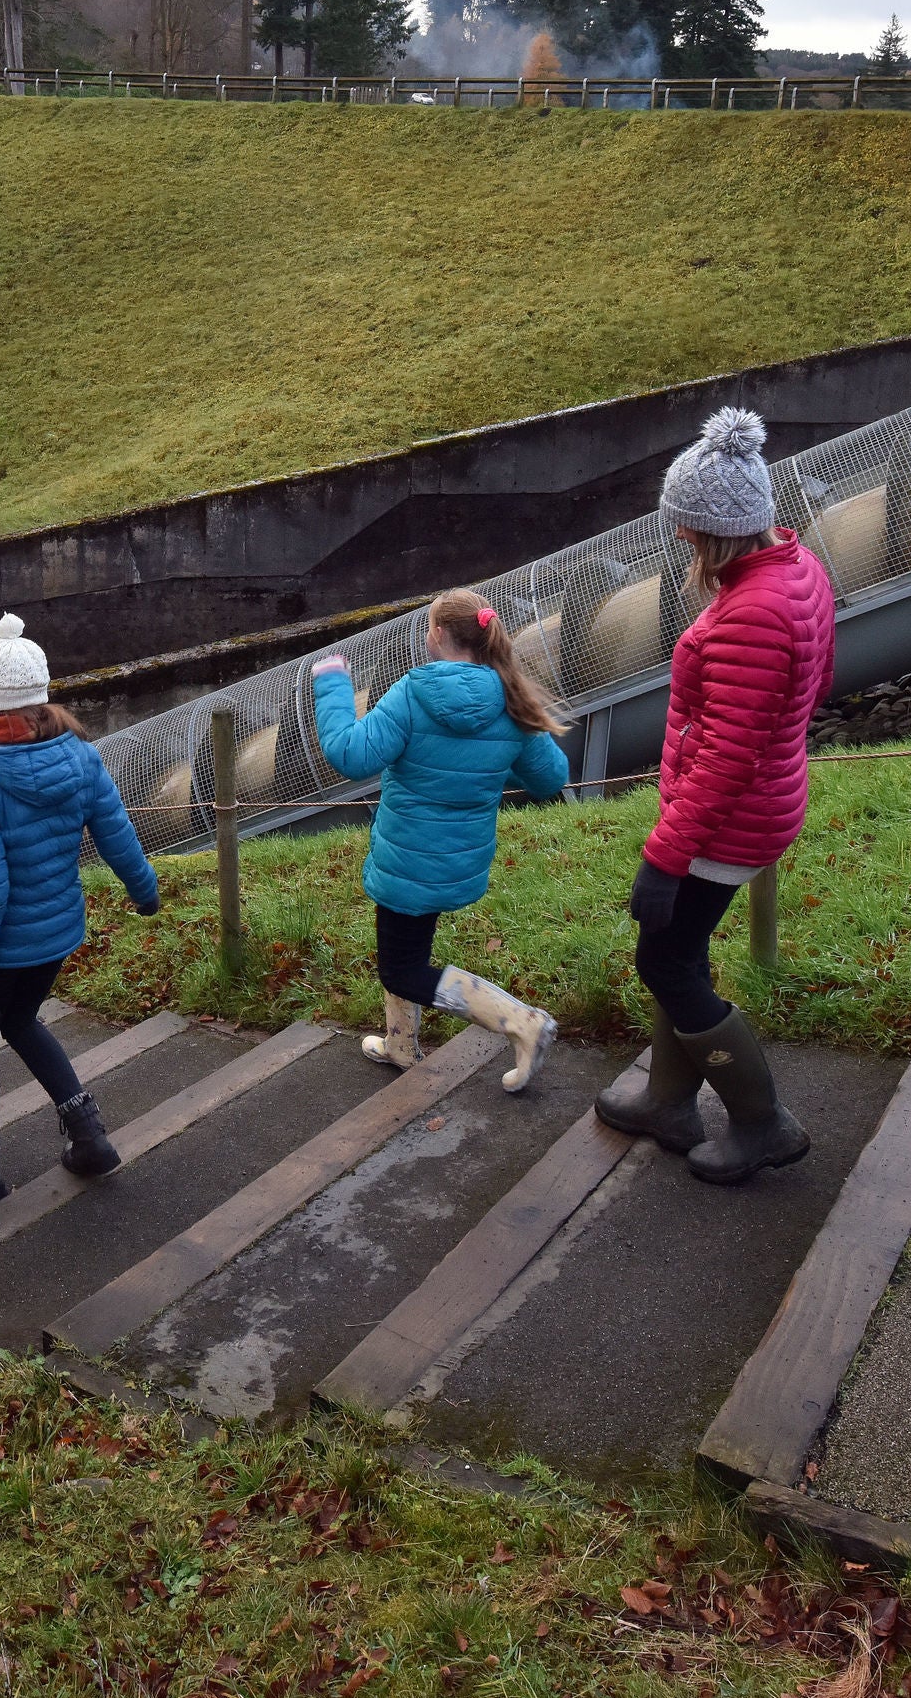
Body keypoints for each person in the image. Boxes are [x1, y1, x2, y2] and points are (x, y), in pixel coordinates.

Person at [592, 407, 835, 1183]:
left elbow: (729, 754)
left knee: (665, 962)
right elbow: (806, 688)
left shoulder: (752, 613)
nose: (680, 539)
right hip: (759, 801)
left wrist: (665, 857)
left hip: (727, 821)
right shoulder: (794, 570)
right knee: (681, 955)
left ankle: (763, 1122)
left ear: (711, 531)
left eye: (687, 528)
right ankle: (668, 1101)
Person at [307, 588, 571, 1093]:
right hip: (459, 861)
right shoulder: (508, 696)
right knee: (405, 947)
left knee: (403, 969)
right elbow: (549, 779)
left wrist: (334, 684)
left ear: (437, 635)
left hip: (406, 857)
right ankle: (400, 1045)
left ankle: (522, 1022)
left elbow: (350, 754)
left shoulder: (414, 692)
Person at [0, 613, 162, 1211]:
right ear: (42, 700)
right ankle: (87, 1135)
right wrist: (145, 893)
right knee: (22, 1022)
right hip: (56, 930)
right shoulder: (83, 759)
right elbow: (119, 837)